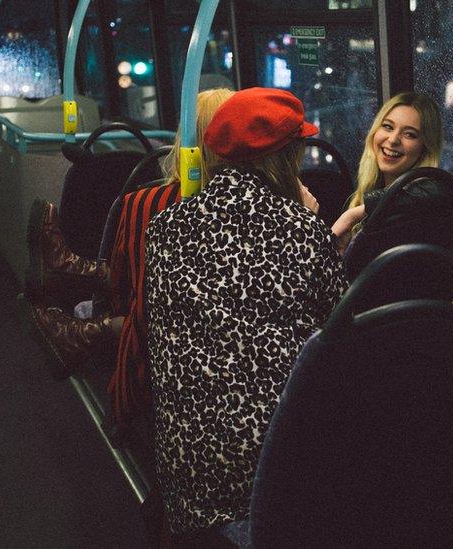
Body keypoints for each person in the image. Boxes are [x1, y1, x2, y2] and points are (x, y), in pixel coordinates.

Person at [143, 87, 347, 544]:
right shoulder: (300, 230)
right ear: (286, 157)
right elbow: (339, 334)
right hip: (265, 468)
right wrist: (317, 225)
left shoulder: (164, 228)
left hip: (184, 463)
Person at [23, 88, 235, 384]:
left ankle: (77, 293)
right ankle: (71, 274)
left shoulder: (151, 205)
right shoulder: (268, 211)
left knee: (136, 280)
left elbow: (127, 294)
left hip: (176, 339)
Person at [331, 91, 443, 252]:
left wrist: (352, 215)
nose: (393, 140)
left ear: (425, 147)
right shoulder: (371, 193)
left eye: (409, 134)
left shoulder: (423, 210)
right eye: (388, 126)